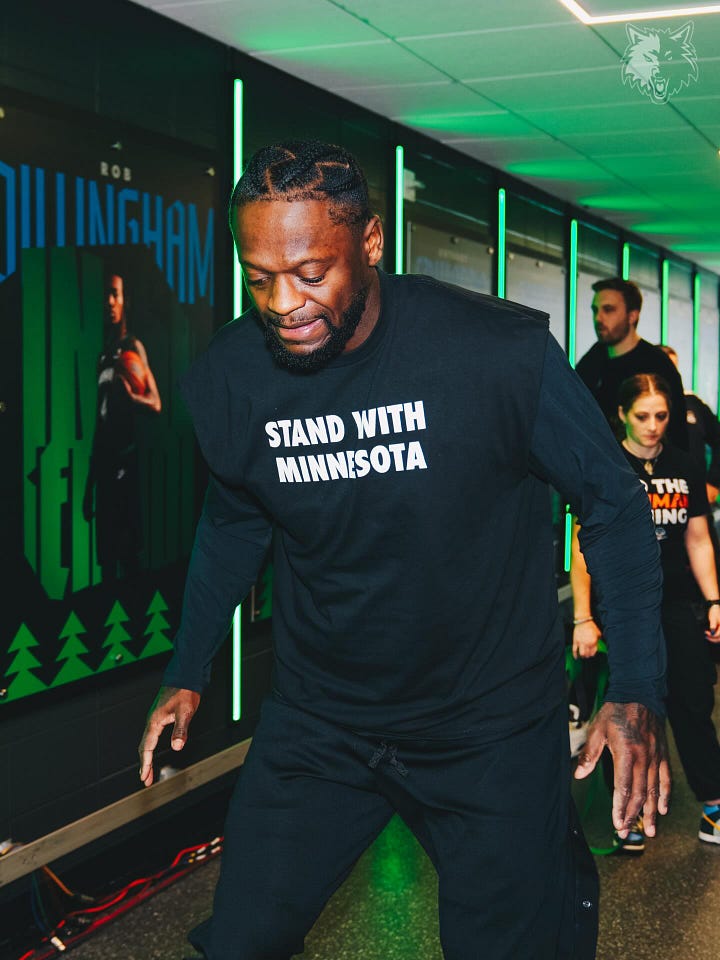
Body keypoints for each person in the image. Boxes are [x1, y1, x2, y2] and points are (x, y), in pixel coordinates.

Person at [138, 140, 670, 960]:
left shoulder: (495, 353)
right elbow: (234, 522)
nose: (283, 302)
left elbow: (613, 505)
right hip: (322, 721)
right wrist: (188, 666)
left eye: (310, 272)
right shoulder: (234, 377)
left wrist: (634, 689)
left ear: (371, 241)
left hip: (487, 724)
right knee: (242, 939)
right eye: (259, 277)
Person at [571, 373, 720, 853]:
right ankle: (628, 814)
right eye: (642, 416)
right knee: (627, 708)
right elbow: (582, 549)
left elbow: (698, 539)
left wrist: (715, 600)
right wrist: (583, 617)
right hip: (620, 608)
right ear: (622, 415)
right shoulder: (606, 465)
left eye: (661, 416)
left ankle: (714, 804)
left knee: (693, 702)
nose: (653, 425)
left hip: (676, 602)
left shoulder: (684, 465)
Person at [83, 272, 161, 580]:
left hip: (124, 464)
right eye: (106, 294)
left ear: (125, 300)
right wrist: (89, 485)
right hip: (104, 467)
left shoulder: (133, 346)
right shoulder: (104, 355)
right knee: (105, 559)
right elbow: (99, 422)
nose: (109, 301)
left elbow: (155, 402)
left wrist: (132, 398)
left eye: (115, 294)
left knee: (128, 556)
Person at [576, 277, 687, 448]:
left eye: (608, 310)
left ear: (632, 316)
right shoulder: (593, 358)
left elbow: (677, 431)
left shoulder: (657, 364)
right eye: (595, 310)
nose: (598, 318)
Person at [658, 344, 720, 504]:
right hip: (655, 498)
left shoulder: (693, 403)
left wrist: (714, 483)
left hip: (695, 497)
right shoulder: (637, 406)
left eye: (675, 367)